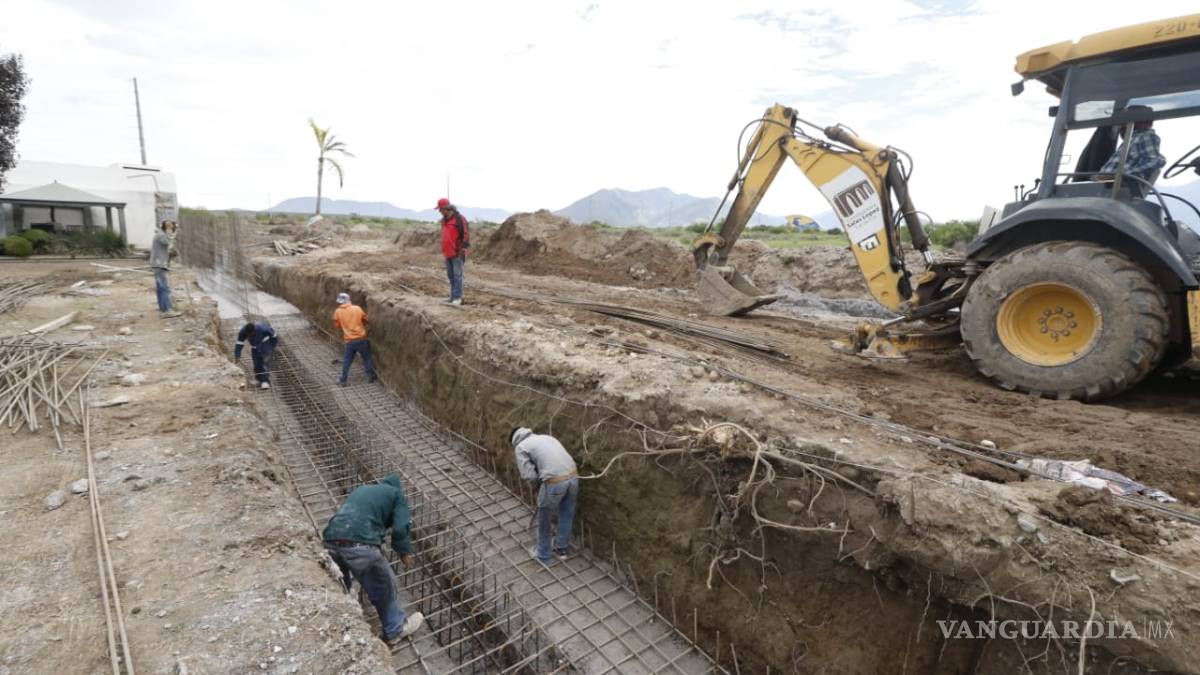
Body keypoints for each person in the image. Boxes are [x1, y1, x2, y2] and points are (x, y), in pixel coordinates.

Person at [323, 474, 424, 645]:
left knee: (341, 585)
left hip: (330, 538)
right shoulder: (396, 495)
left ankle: (348, 616)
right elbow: (400, 528)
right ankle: (395, 629)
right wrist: (404, 552)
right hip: (360, 544)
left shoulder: (364, 489)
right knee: (383, 583)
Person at [510, 427, 579, 564]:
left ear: (514, 440)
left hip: (555, 482)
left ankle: (543, 554)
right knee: (566, 513)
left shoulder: (520, 447)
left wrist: (536, 487)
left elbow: (528, 474)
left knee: (544, 517)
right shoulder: (546, 437)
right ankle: (561, 550)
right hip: (574, 476)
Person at [1096, 106, 1166, 195]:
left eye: (1124, 121)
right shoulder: (1131, 139)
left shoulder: (1146, 136)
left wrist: (1120, 176)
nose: (1121, 125)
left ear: (1137, 120)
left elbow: (1153, 161)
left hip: (1118, 189)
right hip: (1106, 187)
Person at [333, 292, 378, 386]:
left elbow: (337, 325)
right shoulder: (357, 308)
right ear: (349, 300)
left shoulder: (337, 311)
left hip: (349, 340)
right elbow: (365, 320)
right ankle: (371, 376)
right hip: (361, 339)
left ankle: (343, 380)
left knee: (347, 360)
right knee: (367, 358)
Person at [437, 198, 469, 306]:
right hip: (448, 253)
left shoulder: (460, 219)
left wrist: (462, 249)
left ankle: (457, 298)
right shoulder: (444, 220)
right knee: (450, 276)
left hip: (457, 253)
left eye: (440, 209)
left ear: (446, 208)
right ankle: (452, 297)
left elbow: (465, 235)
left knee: (457, 275)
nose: (439, 212)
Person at [234, 320, 278, 390]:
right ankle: (258, 379)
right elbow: (239, 343)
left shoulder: (263, 328)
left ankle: (265, 381)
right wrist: (237, 355)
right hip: (255, 348)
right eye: (249, 335)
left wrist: (272, 346)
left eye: (252, 334)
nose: (250, 336)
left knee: (265, 363)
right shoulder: (243, 332)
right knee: (257, 364)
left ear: (254, 330)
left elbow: (274, 336)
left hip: (266, 345)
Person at [149, 220, 181, 317]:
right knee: (164, 288)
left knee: (160, 288)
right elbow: (168, 241)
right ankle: (167, 310)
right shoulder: (161, 235)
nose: (174, 230)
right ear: (167, 227)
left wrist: (171, 254)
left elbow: (165, 248)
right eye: (172, 228)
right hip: (159, 265)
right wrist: (170, 231)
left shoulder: (160, 235)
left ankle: (163, 308)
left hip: (158, 264)